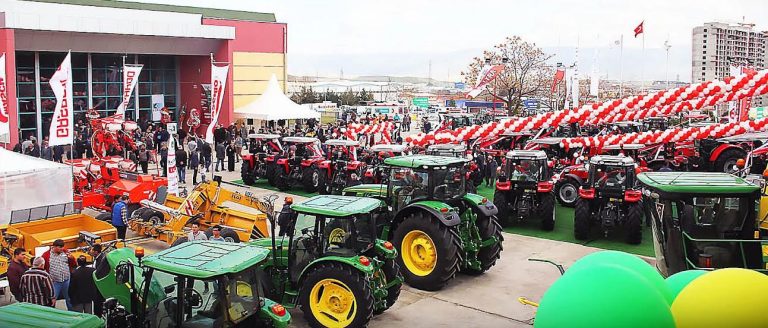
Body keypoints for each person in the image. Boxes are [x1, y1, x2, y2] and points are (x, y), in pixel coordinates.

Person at [42, 239, 76, 310]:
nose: (62, 249)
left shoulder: (65, 252)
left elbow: (73, 264)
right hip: (55, 282)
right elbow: (42, 267)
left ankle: (72, 313)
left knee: (69, 299)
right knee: (52, 299)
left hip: (66, 280)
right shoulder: (46, 255)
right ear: (54, 247)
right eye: (60, 247)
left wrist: (71, 258)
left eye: (62, 247)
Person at [88, 245, 106, 316]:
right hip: (97, 285)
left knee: (98, 302)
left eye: (92, 250)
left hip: (99, 286)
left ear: (96, 252)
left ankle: (98, 315)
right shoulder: (97, 258)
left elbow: (99, 272)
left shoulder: (101, 260)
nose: (90, 251)